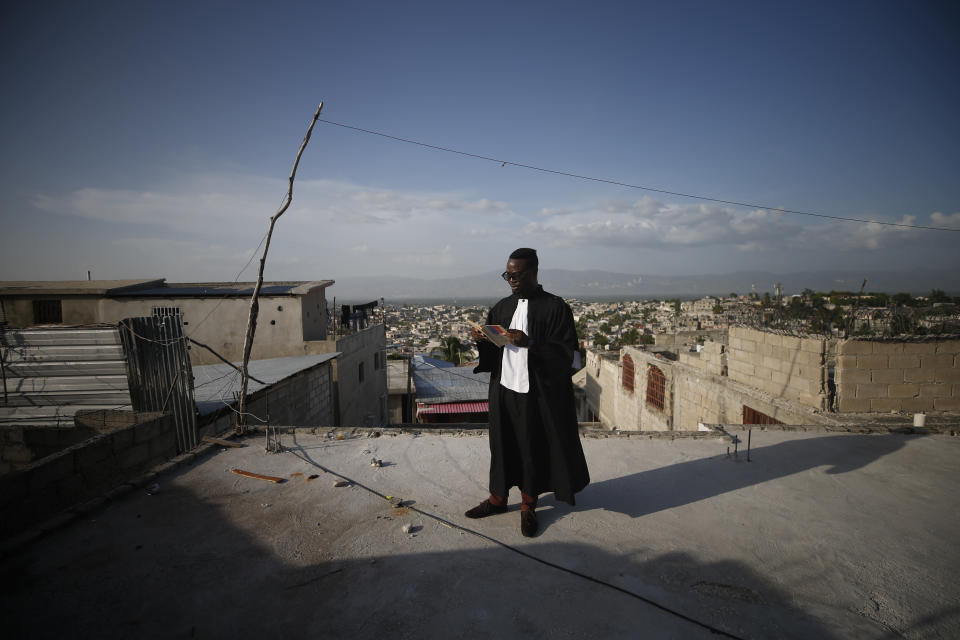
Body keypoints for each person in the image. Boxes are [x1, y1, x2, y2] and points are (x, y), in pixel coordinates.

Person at [465, 248, 590, 537]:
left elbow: (567, 355)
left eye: (516, 274)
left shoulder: (556, 308)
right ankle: (497, 498)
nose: (510, 279)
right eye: (507, 274)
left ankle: (528, 505)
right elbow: (494, 352)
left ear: (533, 272)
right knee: (502, 445)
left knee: (531, 447)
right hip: (504, 388)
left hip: (536, 394)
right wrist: (481, 340)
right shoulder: (501, 307)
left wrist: (530, 342)